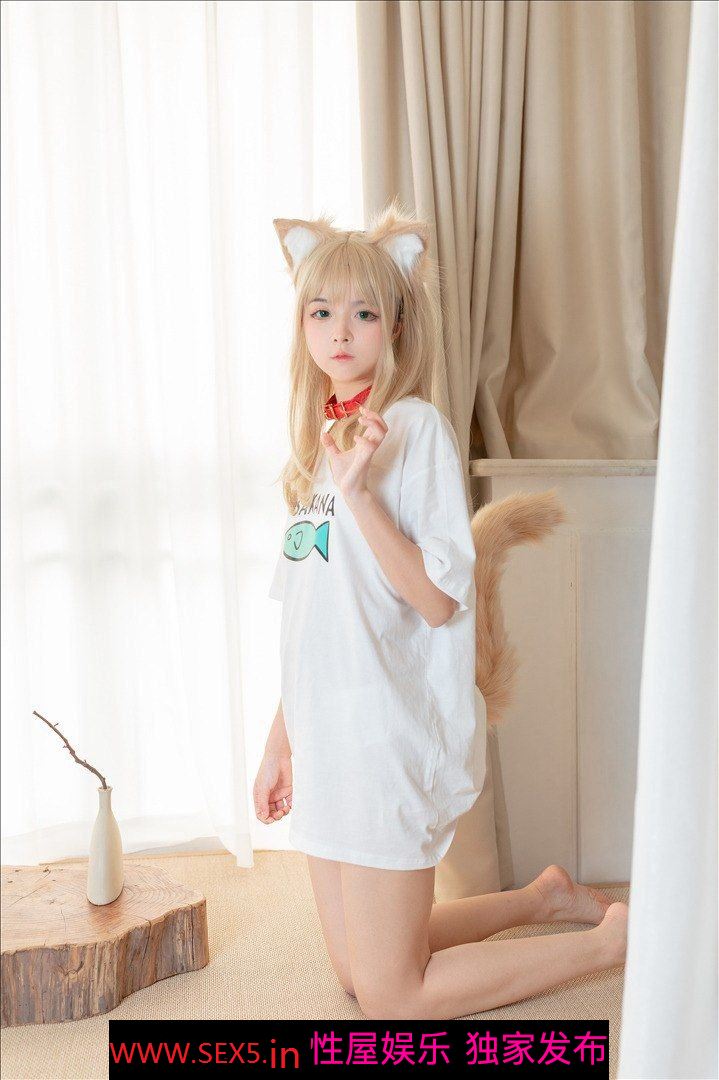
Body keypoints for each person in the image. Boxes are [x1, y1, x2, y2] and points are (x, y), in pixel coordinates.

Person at [254, 197, 628, 1020]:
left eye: (363, 312)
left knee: (392, 996)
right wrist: (280, 744)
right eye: (321, 312)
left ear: (394, 325)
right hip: (328, 739)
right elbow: (309, 625)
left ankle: (609, 944)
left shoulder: (412, 430)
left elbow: (433, 600)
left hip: (384, 736)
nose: (340, 331)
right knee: (356, 974)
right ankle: (541, 899)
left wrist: (361, 496)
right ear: (302, 326)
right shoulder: (315, 453)